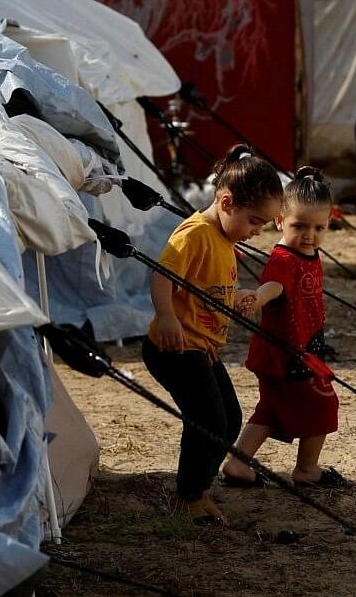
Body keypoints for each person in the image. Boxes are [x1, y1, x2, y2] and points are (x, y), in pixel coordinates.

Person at [141, 145, 283, 527]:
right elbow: (161, 275)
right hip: (174, 347)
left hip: (202, 348)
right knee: (206, 420)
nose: (256, 232)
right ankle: (188, 495)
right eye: (254, 221)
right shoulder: (195, 234)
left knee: (229, 419)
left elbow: (207, 287)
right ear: (226, 201)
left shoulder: (224, 239)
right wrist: (167, 317)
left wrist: (236, 299)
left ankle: (198, 486)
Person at [220, 167, 345, 488]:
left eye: (319, 227)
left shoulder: (309, 252)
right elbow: (274, 285)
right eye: (299, 226)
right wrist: (257, 298)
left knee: (270, 408)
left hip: (297, 350)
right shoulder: (284, 259)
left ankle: (238, 463)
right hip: (287, 355)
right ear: (279, 221)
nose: (310, 235)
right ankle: (307, 469)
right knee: (323, 403)